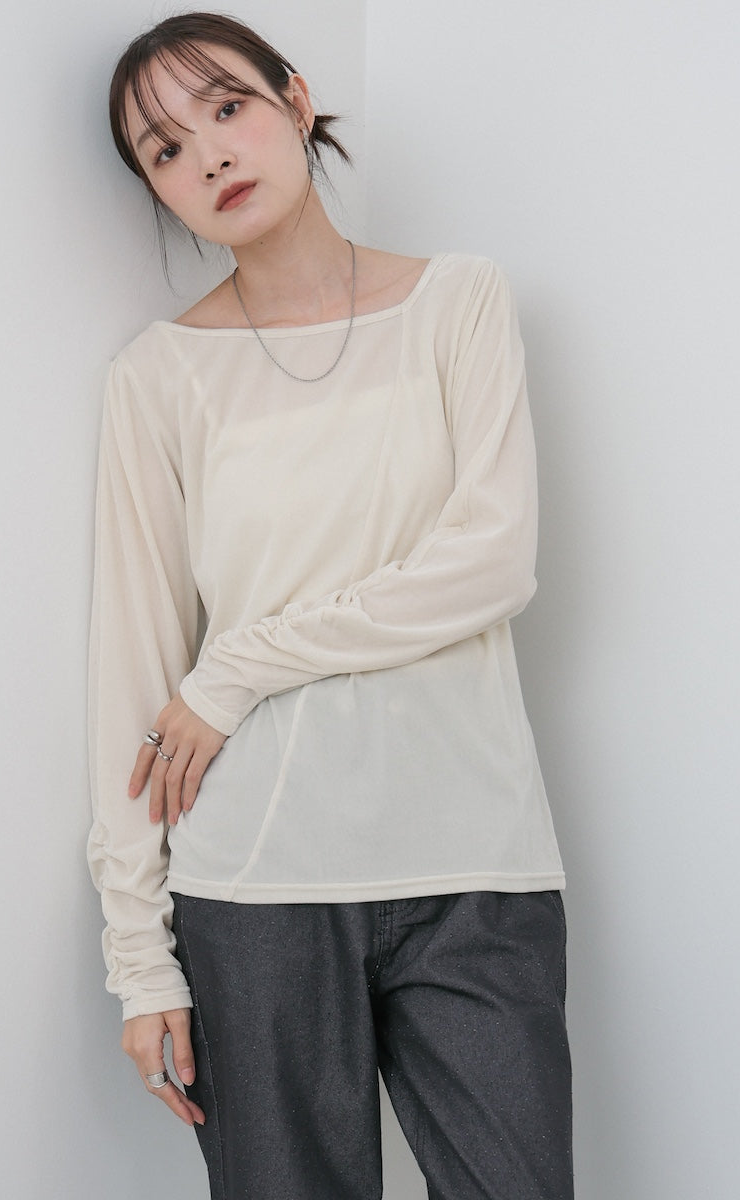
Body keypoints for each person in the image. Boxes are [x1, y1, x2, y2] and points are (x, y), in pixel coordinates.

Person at [88, 12, 573, 1199]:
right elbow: (131, 676)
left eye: (227, 107)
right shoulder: (158, 378)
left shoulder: (457, 304)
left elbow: (493, 562)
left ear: (296, 100)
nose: (207, 153)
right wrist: (140, 960)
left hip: (475, 867)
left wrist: (237, 666)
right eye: (163, 150)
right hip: (252, 890)